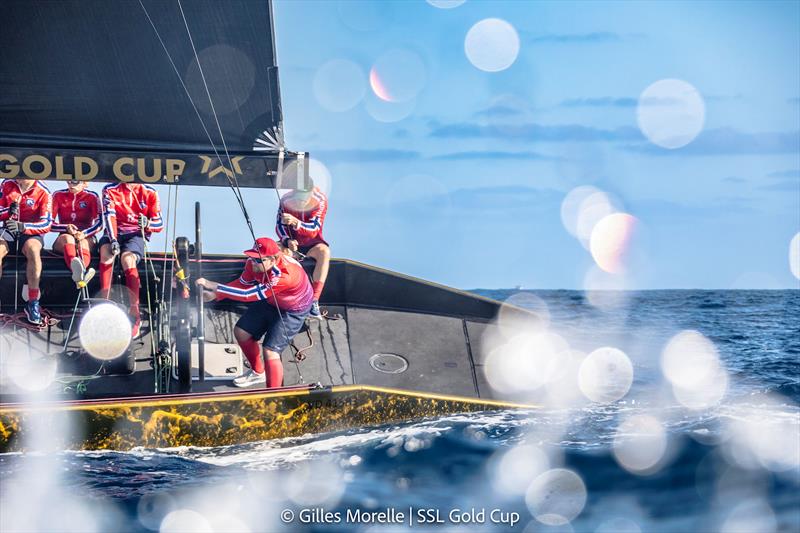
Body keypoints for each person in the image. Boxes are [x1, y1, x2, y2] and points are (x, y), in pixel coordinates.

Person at [196, 237, 313, 388]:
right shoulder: (253, 263)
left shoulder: (284, 276)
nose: (254, 262)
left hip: (293, 309)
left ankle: (274, 395)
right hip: (271, 299)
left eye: (259, 260)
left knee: (270, 350)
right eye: (252, 257)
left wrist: (214, 286)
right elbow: (242, 285)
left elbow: (247, 295)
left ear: (274, 259)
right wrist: (216, 295)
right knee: (242, 332)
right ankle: (258, 373)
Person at [98, 182, 163, 338]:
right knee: (106, 254)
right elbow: (109, 215)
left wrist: (147, 224)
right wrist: (113, 239)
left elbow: (159, 223)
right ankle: (105, 302)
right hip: (115, 232)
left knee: (127, 259)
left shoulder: (150, 192)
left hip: (135, 234)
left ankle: (135, 309)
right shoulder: (110, 189)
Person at [0, 179, 53, 324]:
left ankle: (33, 301)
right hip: (9, 230)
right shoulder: (7, 184)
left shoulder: (43, 191)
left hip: (30, 232)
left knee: (33, 250)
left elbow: (47, 223)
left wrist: (23, 226)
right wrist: (7, 211)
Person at [276, 179, 329, 318]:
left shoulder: (321, 200)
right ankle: (280, 295)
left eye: (304, 199)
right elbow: (279, 225)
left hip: (312, 243)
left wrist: (296, 222)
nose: (301, 203)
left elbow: (314, 228)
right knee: (273, 249)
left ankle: (314, 300)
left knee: (324, 252)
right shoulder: (285, 199)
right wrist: (287, 240)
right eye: (298, 199)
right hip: (292, 244)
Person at [51, 180, 102, 289]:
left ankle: (81, 271)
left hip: (86, 235)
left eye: (76, 182)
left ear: (85, 183)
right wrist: (65, 227)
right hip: (64, 235)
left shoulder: (92, 196)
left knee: (83, 243)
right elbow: (48, 223)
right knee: (67, 238)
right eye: (69, 181)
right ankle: (79, 273)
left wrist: (84, 233)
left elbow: (100, 223)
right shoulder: (58, 195)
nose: (71, 184)